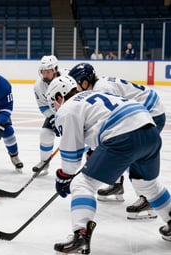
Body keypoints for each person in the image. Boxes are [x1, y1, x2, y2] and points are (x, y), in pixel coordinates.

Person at [44, 75, 171, 255]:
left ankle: (80, 238)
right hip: (149, 129)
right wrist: (95, 151)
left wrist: (63, 177)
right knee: (146, 184)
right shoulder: (91, 94)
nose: (54, 107)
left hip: (123, 135)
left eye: (54, 101)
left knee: (82, 183)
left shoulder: (67, 109)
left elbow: (71, 161)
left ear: (60, 96)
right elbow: (101, 125)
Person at [68, 62, 166, 220]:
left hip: (150, 114)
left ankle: (147, 198)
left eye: (76, 85)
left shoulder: (101, 89)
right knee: (122, 149)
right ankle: (117, 185)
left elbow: (117, 125)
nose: (75, 90)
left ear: (85, 82)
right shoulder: (100, 85)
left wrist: (94, 150)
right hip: (147, 110)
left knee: (132, 153)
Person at [32, 55, 63, 174]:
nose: (45, 75)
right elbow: (43, 106)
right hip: (55, 113)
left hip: (75, 113)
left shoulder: (68, 78)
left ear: (55, 70)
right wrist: (52, 118)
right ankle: (44, 162)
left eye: (48, 71)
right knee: (45, 134)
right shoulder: (39, 86)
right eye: (43, 71)